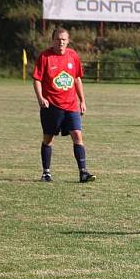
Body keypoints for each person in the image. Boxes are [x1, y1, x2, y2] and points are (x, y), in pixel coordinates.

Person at [32, 27, 94, 183]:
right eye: (58, 39)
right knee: (48, 138)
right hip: (51, 106)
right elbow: (37, 79)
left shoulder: (73, 56)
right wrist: (40, 98)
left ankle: (83, 172)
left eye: (63, 39)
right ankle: (46, 173)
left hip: (71, 105)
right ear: (53, 40)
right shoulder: (45, 57)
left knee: (77, 136)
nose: (61, 42)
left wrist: (82, 100)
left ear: (68, 41)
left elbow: (77, 79)